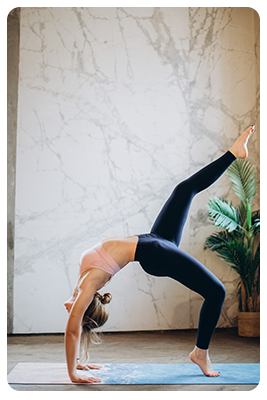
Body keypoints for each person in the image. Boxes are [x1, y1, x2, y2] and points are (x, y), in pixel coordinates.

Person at [64, 126, 255, 384]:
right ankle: (201, 353)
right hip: (153, 253)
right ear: (86, 305)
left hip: (155, 239)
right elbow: (74, 328)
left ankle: (233, 152)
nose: (69, 306)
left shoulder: (82, 278)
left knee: (184, 189)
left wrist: (80, 361)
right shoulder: (89, 284)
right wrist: (73, 374)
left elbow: (80, 325)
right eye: (76, 307)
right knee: (217, 291)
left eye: (72, 306)